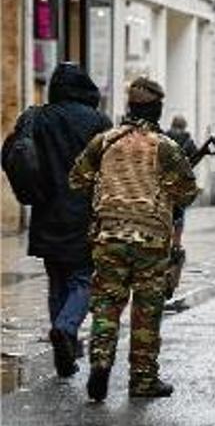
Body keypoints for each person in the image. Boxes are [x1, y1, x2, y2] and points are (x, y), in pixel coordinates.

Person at [70, 76, 198, 401]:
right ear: (157, 108)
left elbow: (77, 179)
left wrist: (105, 193)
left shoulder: (105, 141)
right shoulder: (165, 146)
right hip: (151, 241)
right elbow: (186, 191)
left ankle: (100, 362)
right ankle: (142, 379)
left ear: (130, 106)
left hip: (109, 235)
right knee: (146, 309)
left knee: (107, 304)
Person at [3, 63, 112, 377]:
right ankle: (65, 329)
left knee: (57, 281)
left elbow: (9, 154)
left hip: (46, 210)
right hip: (85, 214)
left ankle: (62, 353)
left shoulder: (38, 117)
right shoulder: (98, 121)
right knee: (83, 278)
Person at [165, 116, 198, 299]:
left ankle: (168, 242)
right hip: (180, 188)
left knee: (167, 217)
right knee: (179, 219)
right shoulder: (188, 141)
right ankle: (176, 245)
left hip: (165, 188)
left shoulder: (164, 137)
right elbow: (192, 163)